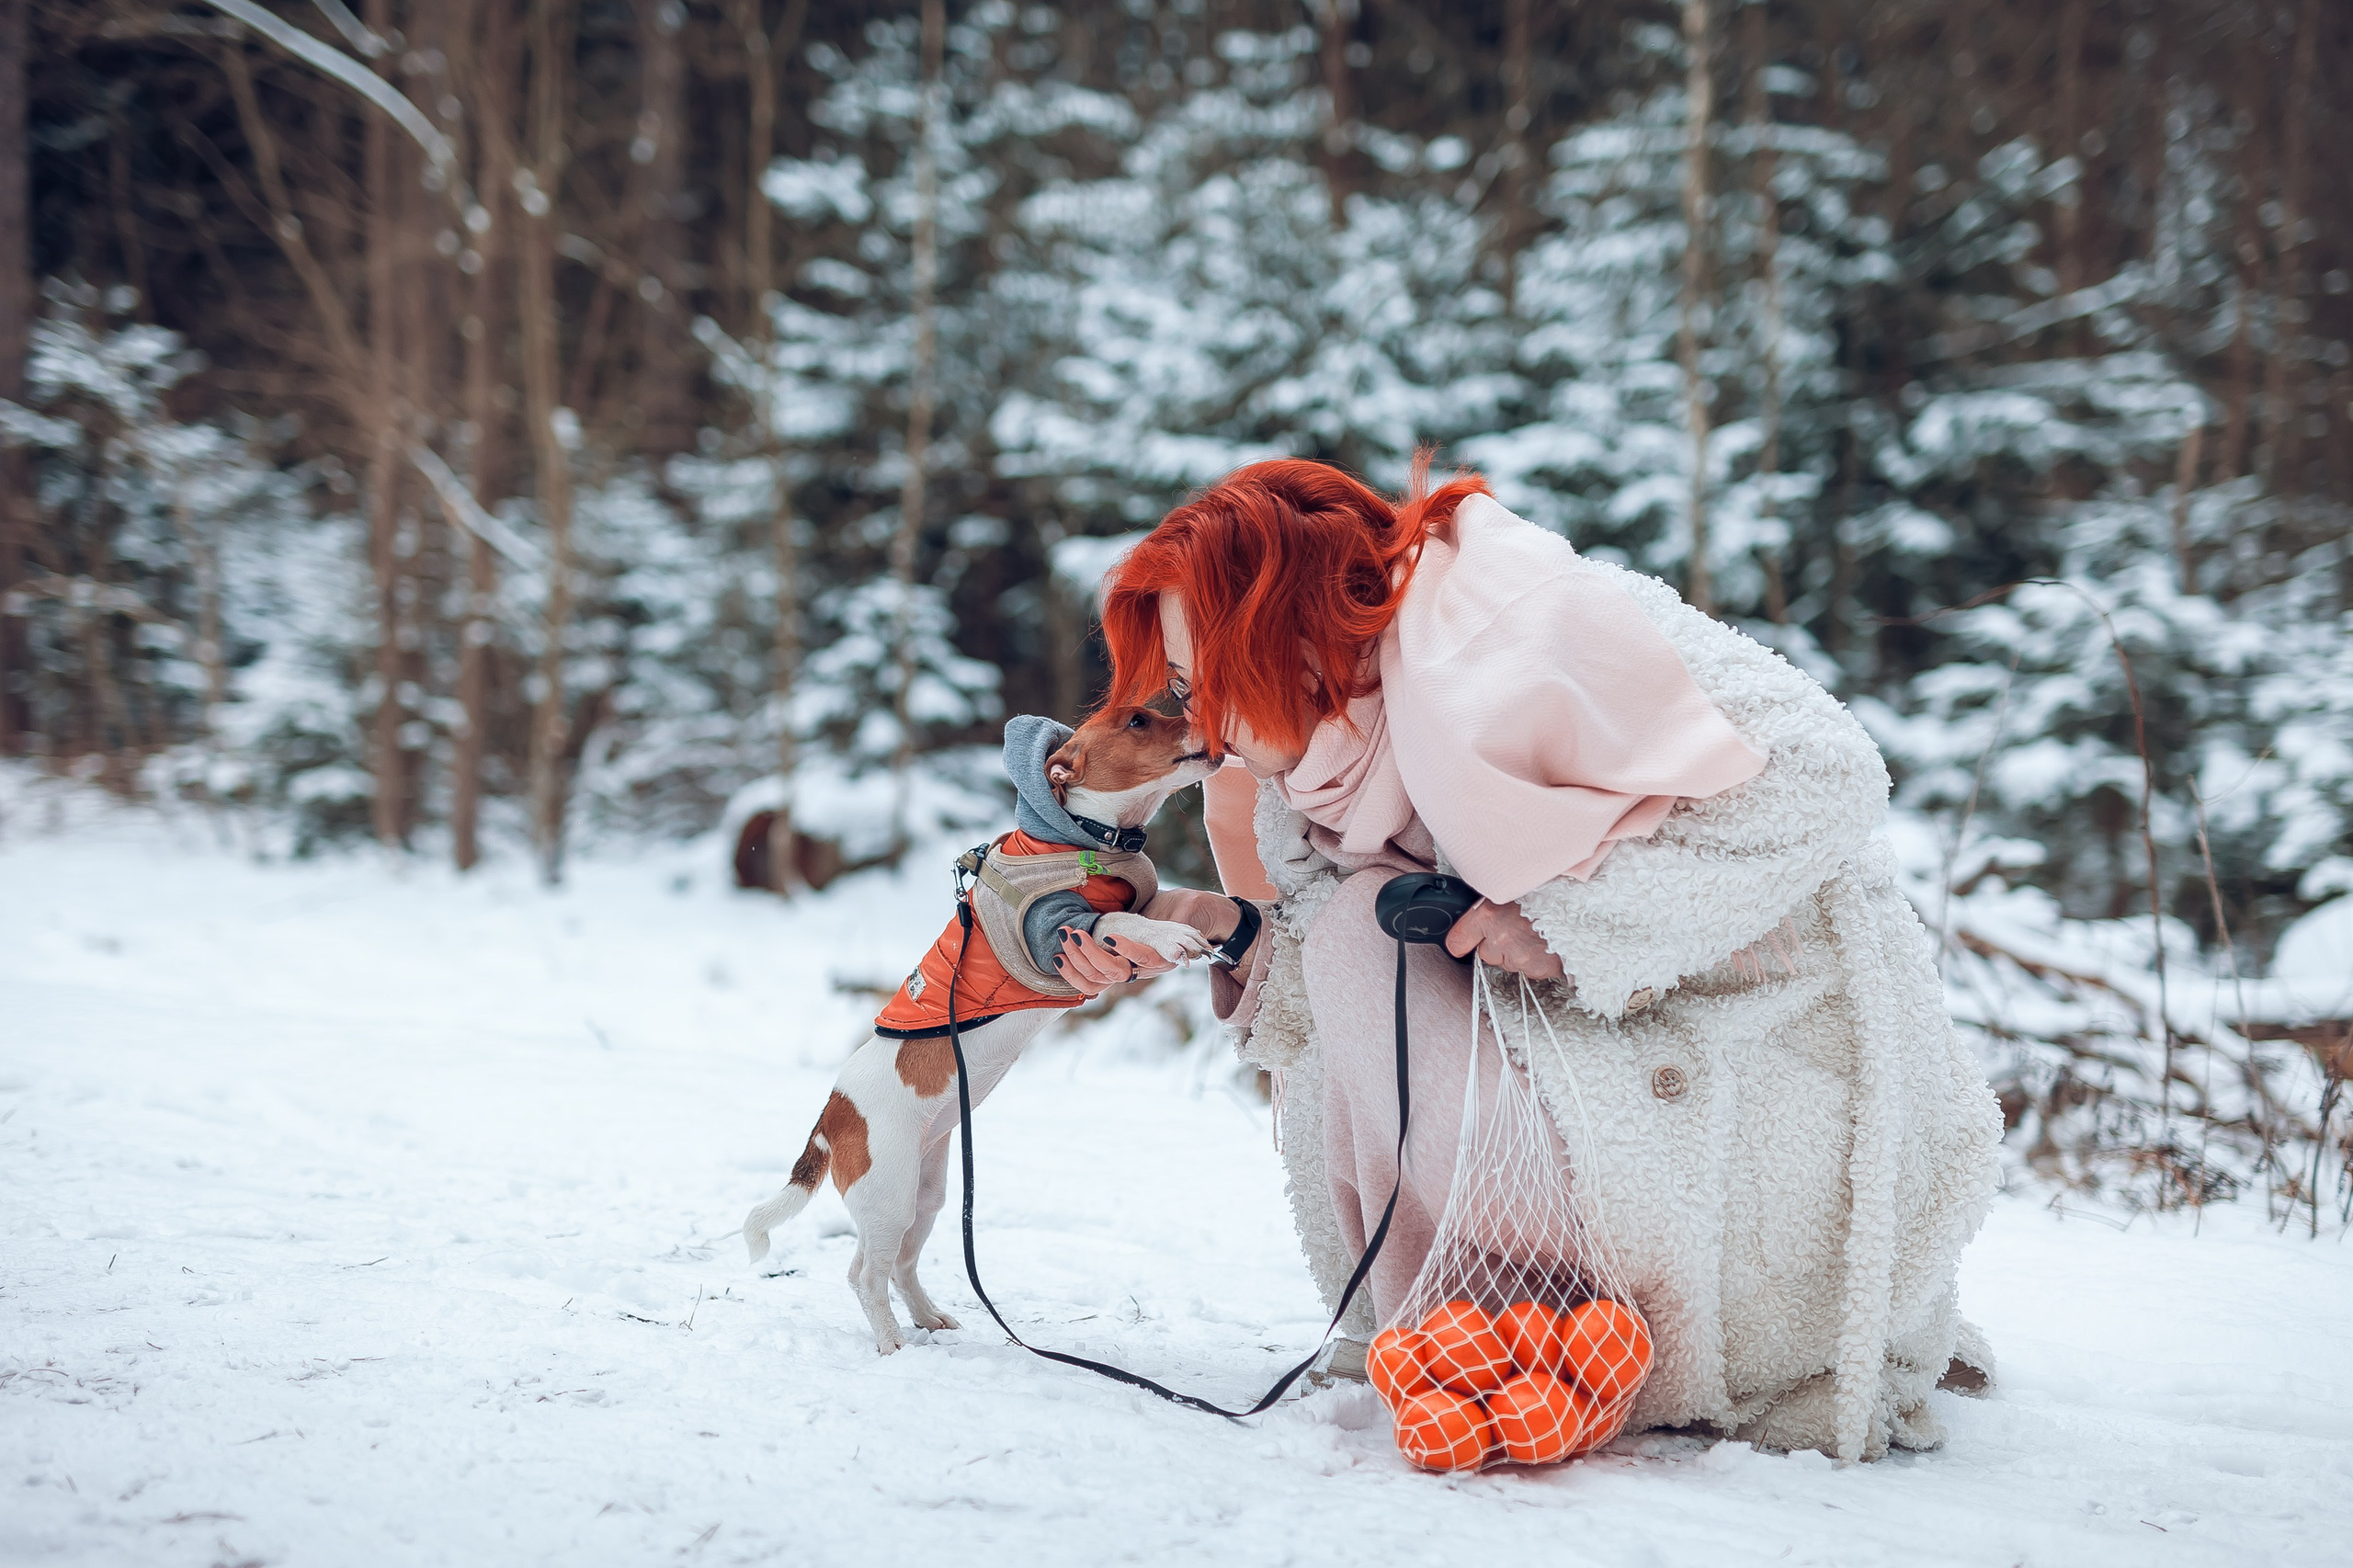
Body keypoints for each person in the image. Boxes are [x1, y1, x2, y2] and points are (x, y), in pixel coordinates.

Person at [1053, 455, 2001, 1462]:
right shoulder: (1305, 777)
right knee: (1353, 933)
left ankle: (1576, 1324)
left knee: (1365, 929)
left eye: (1209, 680)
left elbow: (1829, 773)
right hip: (1573, 1066)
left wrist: (1571, 927)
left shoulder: (1533, 621)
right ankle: (1495, 1318)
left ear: (1284, 632)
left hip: (1755, 1053)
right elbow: (1349, 984)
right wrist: (1210, 933)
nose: (1196, 719)